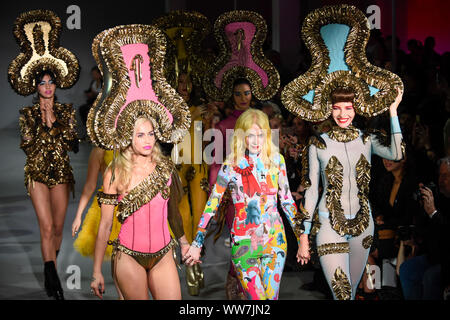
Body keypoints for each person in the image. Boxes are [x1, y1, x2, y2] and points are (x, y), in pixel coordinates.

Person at [185, 109, 306, 300]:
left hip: (275, 243)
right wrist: (197, 243)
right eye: (251, 135)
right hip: (243, 243)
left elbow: (287, 202)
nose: (256, 140)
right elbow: (212, 204)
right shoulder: (230, 165)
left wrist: (302, 239)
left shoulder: (277, 161)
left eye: (261, 135)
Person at [90, 117, 189, 299]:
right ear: (128, 137)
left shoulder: (165, 168)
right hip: (129, 257)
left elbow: (173, 213)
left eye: (151, 134)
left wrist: (184, 243)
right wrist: (97, 271)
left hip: (163, 254)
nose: (148, 140)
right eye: (141, 135)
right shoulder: (115, 173)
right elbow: (105, 225)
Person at [19, 71, 79, 299]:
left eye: (51, 82)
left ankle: (50, 265)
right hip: (37, 174)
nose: (47, 86)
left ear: (56, 86)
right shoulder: (27, 114)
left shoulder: (66, 111)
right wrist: (42, 122)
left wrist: (52, 121)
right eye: (42, 83)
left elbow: (72, 144)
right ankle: (51, 276)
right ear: (36, 87)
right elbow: (28, 146)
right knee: (45, 227)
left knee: (56, 228)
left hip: (62, 175)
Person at [71, 147, 123, 299]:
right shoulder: (99, 151)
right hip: (110, 209)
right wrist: (78, 215)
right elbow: (89, 185)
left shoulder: (136, 144)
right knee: (118, 258)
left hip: (135, 209)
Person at [398, 157, 450, 300]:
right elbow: (429, 232)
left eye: (445, 176)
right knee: (407, 269)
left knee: (430, 276)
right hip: (436, 256)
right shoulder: (440, 199)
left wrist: (433, 212)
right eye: (440, 175)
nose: (441, 180)